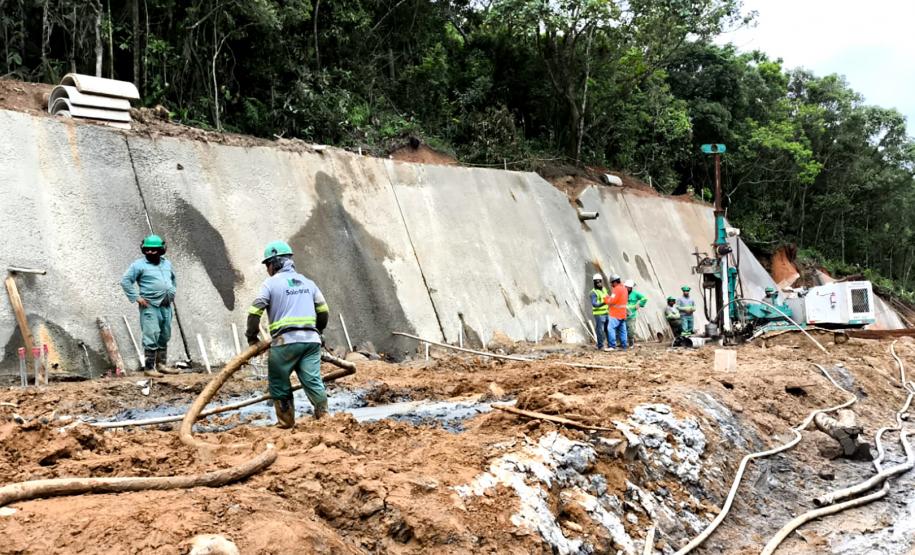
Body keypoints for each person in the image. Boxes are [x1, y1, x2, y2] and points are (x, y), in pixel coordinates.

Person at [245, 241, 330, 428]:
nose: (267, 269)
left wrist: (251, 337)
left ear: (274, 263)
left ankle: (286, 422)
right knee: (313, 380)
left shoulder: (270, 284)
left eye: (267, 265)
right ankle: (324, 417)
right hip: (311, 342)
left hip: (284, 343)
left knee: (279, 382)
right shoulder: (308, 282)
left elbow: (255, 311)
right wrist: (319, 331)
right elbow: (323, 310)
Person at [121, 234, 178, 377]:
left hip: (166, 305)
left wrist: (172, 291)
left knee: (164, 335)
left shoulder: (167, 264)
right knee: (151, 334)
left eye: (154, 249)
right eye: (147, 249)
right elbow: (125, 281)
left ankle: (161, 365)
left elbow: (172, 279)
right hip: (150, 306)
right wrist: (136, 298)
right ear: (143, 249)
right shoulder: (138, 265)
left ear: (161, 250)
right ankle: (149, 368)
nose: (150, 252)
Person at [589, 273, 611, 351]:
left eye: (600, 282)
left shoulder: (604, 289)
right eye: (597, 282)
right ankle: (600, 346)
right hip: (599, 314)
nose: (599, 283)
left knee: (608, 329)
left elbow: (608, 298)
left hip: (606, 313)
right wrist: (603, 303)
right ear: (594, 283)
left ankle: (610, 345)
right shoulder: (593, 293)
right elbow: (594, 304)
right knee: (600, 330)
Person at [606, 275, 629, 350]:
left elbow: (612, 301)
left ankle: (612, 346)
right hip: (623, 313)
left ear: (615, 282)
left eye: (612, 283)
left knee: (611, 328)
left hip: (615, 314)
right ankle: (624, 346)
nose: (611, 285)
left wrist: (606, 299)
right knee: (622, 330)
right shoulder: (624, 288)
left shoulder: (616, 289)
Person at [624, 279, 647, 345]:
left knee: (631, 330)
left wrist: (639, 304)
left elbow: (644, 298)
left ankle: (631, 342)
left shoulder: (635, 294)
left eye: (628, 287)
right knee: (623, 330)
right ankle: (623, 343)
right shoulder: (623, 293)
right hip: (623, 314)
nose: (626, 288)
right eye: (626, 287)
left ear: (631, 288)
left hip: (631, 315)